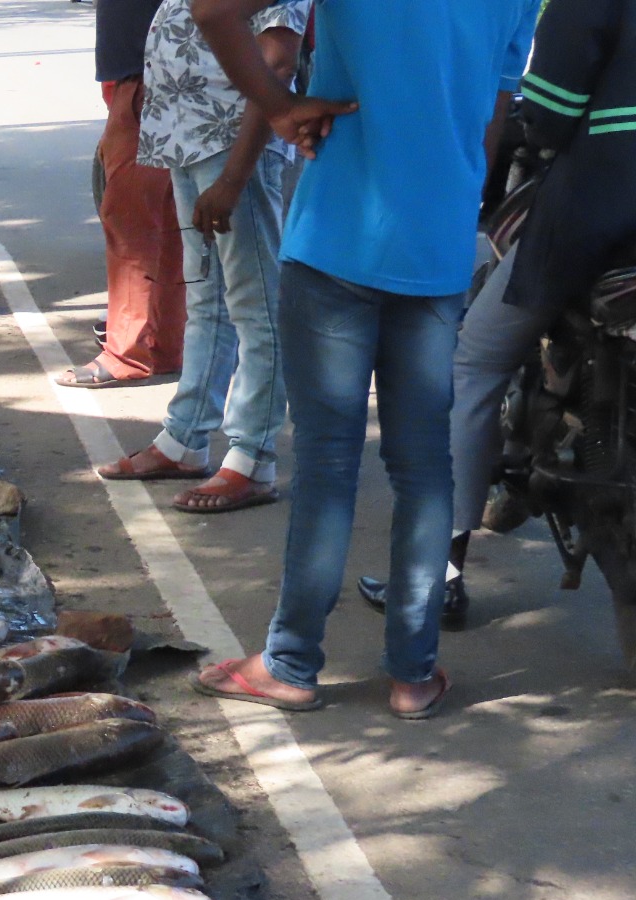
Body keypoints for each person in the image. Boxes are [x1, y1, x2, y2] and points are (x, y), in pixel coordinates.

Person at [188, 0, 538, 719]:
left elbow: (214, 10)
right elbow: (492, 120)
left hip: (336, 238)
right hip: (437, 247)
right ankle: (413, 674)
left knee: (328, 464)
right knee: (424, 467)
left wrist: (280, 108)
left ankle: (290, 663)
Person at [359, 0, 636, 628]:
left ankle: (437, 575)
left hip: (608, 208)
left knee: (475, 360)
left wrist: (531, 127)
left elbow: (553, 107)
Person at [97, 0, 310, 514]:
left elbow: (278, 61)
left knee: (256, 306)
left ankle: (252, 457)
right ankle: (185, 437)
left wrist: (235, 177)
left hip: (232, 145)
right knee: (208, 299)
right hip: (190, 139)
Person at [56, 0, 186, 389]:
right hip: (153, 72)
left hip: (152, 76)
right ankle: (162, 346)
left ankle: (127, 352)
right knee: (166, 217)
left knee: (131, 219)